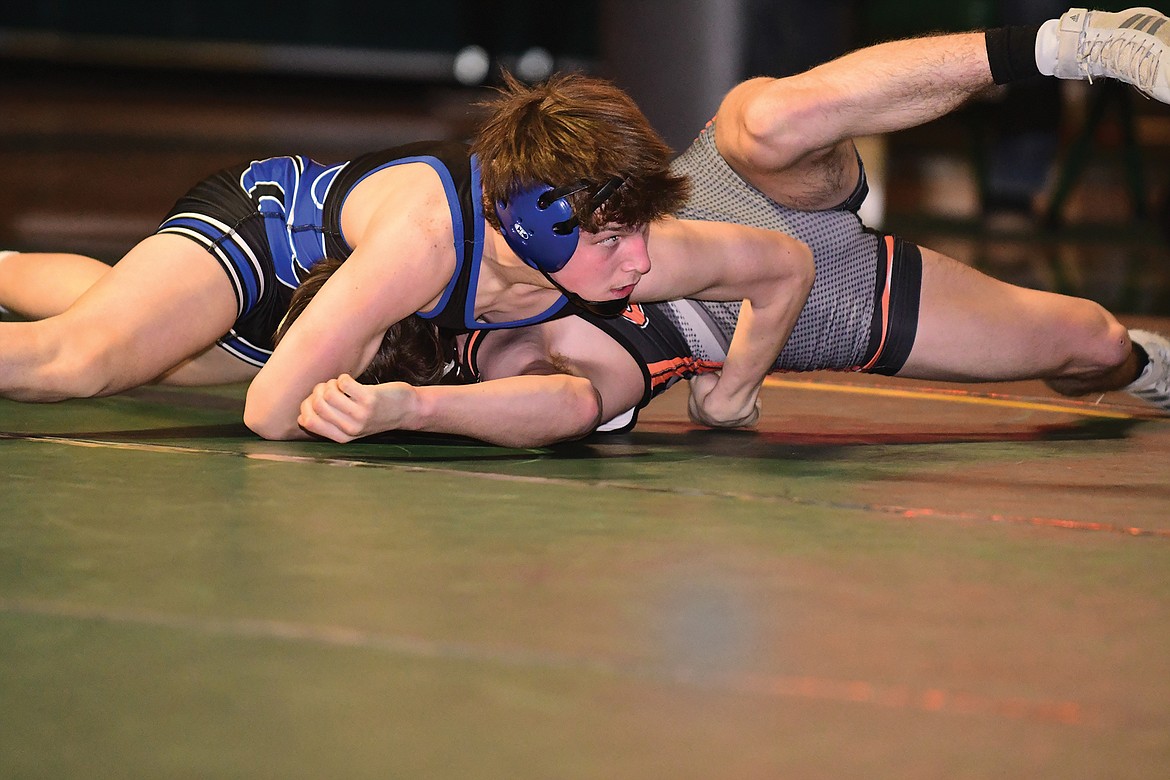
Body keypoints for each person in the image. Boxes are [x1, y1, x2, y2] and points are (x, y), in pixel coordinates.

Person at [288, 6, 1170, 447]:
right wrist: (414, 406)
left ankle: (1071, 44)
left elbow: (777, 261)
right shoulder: (504, 355)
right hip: (821, 312)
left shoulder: (473, 250)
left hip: (718, 207)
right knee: (1088, 343)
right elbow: (567, 403)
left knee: (770, 122)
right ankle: (1144, 366)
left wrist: (731, 392)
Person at [0, 72, 814, 439]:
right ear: (537, 225)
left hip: (332, 317)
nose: (639, 264)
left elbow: (786, 267)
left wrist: (731, 395)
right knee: (80, 359)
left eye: (639, 231)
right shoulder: (427, 245)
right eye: (612, 240)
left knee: (146, 339)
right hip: (273, 243)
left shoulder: (628, 245)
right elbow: (269, 414)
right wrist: (390, 407)